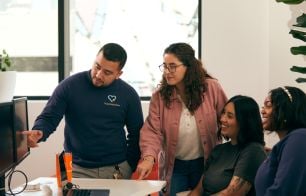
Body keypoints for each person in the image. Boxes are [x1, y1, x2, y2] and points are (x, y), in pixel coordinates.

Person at [24, 43, 144, 179]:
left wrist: (130, 165)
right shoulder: (69, 86)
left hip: (116, 169)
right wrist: (39, 131)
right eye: (97, 67)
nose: (98, 75)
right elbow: (49, 117)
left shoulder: (128, 94)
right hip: (76, 167)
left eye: (107, 72)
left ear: (118, 74)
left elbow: (137, 134)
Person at [136, 42, 227, 195]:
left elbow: (228, 120)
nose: (167, 71)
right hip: (175, 166)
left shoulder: (211, 88)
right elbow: (152, 131)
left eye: (173, 66)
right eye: (164, 66)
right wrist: (149, 157)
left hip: (206, 163)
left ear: (188, 66)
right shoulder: (159, 96)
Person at [189, 95, 267, 196]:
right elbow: (198, 191)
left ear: (244, 122)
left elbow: (232, 194)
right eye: (223, 113)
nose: (222, 119)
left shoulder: (253, 151)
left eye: (230, 116)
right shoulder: (218, 150)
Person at [255, 86, 306, 196]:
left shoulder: (299, 137)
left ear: (286, 108)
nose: (262, 111)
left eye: (268, 105)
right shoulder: (291, 141)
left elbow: (283, 191)